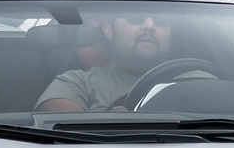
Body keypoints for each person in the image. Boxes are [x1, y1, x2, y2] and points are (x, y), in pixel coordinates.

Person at [38, 10, 183, 111]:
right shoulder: (77, 83)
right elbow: (59, 137)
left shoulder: (200, 82)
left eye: (161, 21)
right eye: (136, 18)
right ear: (109, 30)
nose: (149, 26)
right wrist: (110, 126)